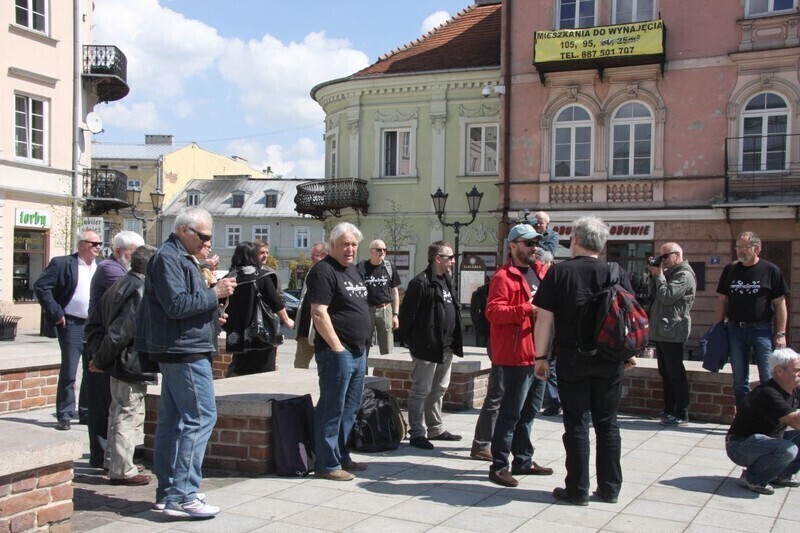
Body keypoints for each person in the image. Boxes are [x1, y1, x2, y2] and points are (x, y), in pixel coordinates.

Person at [134, 207, 237, 519]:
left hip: (182, 347)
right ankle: (183, 494)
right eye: (203, 236)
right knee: (201, 418)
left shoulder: (180, 258)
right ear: (183, 230)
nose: (207, 242)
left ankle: (169, 492)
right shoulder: (169, 258)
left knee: (173, 421)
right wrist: (214, 293)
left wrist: (211, 311)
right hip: (183, 352)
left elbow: (183, 304)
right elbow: (176, 305)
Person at [534, 216, 637, 506]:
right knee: (608, 423)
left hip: (572, 358)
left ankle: (577, 489)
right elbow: (627, 318)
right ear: (603, 244)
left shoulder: (560, 273)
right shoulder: (616, 271)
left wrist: (540, 357)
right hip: (609, 359)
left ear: (574, 239)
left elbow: (544, 319)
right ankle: (610, 488)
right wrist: (627, 353)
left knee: (576, 423)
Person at [487, 224, 554, 487]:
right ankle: (499, 465)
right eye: (528, 243)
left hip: (540, 354)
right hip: (516, 355)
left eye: (535, 243)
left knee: (530, 412)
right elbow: (493, 312)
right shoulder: (503, 277)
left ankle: (523, 460)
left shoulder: (539, 272)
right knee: (510, 413)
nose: (533, 248)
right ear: (513, 245)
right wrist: (526, 309)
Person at [305, 223, 370, 481]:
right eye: (345, 244)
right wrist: (336, 346)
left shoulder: (354, 270)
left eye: (354, 244)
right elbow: (319, 312)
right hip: (336, 352)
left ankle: (342, 456)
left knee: (350, 408)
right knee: (332, 407)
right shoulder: (323, 271)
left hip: (358, 351)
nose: (350, 249)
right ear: (332, 245)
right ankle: (327, 464)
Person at [89, 245, 157, 486]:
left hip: (120, 362)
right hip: (129, 361)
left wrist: (100, 358)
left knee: (117, 411)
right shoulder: (139, 288)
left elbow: (97, 321)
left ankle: (114, 460)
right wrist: (100, 359)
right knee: (127, 413)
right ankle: (121, 469)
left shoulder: (122, 283)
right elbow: (120, 332)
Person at [84, 230, 144, 467]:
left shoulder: (124, 273)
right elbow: (121, 329)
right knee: (109, 407)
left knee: (114, 406)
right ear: (120, 251)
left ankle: (110, 457)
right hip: (104, 347)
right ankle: (106, 458)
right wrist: (99, 359)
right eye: (134, 253)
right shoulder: (114, 271)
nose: (136, 258)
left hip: (106, 347)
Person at [398, 241, 464, 450]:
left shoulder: (447, 280)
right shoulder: (421, 282)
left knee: (439, 389)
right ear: (438, 259)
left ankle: (435, 428)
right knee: (421, 390)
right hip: (426, 346)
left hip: (446, 346)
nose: (453, 261)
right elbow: (408, 315)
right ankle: (417, 432)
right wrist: (413, 342)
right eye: (450, 257)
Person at [34, 228, 101, 431]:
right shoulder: (63, 263)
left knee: (92, 371)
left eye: (99, 244)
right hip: (71, 324)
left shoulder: (100, 267)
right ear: (81, 244)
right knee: (69, 371)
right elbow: (41, 286)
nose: (98, 247)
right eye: (94, 244)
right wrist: (56, 313)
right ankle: (64, 414)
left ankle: (86, 412)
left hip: (93, 325)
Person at [715, 231, 789, 408]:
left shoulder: (771, 270)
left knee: (767, 376)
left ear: (757, 248)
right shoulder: (730, 269)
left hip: (761, 330)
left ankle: (769, 417)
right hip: (735, 329)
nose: (740, 251)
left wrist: (780, 333)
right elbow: (722, 300)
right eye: (738, 247)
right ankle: (744, 417)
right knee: (740, 380)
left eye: (745, 247)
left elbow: (780, 303)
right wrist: (717, 328)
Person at [726, 348, 800, 495]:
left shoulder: (794, 389)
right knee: (788, 449)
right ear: (779, 371)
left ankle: (781, 474)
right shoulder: (769, 393)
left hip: (767, 441)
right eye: (797, 370)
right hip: (740, 445)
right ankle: (753, 478)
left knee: (788, 446)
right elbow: (797, 423)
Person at [223, 242, 294, 375]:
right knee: (264, 373)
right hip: (261, 333)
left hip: (237, 335)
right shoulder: (262, 276)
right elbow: (275, 302)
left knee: (240, 371)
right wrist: (287, 320)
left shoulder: (228, 278)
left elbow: (220, 305)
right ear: (252, 256)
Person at [648, 242, 696, 426]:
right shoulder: (671, 274)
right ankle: (669, 410)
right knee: (665, 372)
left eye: (665, 257)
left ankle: (681, 412)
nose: (664, 261)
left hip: (674, 329)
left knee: (675, 372)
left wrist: (659, 275)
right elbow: (655, 295)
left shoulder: (684, 275)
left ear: (677, 255)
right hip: (663, 329)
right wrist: (655, 275)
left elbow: (667, 296)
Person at [359, 239, 400, 357]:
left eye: (384, 249)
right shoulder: (361, 267)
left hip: (385, 309)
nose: (382, 252)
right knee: (363, 343)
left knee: (387, 347)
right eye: (378, 249)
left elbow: (395, 292)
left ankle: (387, 374)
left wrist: (396, 315)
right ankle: (361, 373)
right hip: (367, 310)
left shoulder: (389, 267)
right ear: (371, 251)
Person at [294, 242, 328, 369]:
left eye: (316, 255)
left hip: (322, 333)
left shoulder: (330, 275)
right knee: (299, 367)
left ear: (325, 255)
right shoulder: (311, 272)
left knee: (325, 369)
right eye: (312, 254)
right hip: (304, 331)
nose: (312, 257)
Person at [536, 249, 561, 417]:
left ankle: (555, 401)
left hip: (550, 330)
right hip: (546, 330)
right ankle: (554, 400)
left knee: (550, 366)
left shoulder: (552, 278)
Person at [470, 277, 490, 349]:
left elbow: (474, 311)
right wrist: (477, 325)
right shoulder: (481, 292)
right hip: (484, 325)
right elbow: (474, 311)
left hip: (483, 325)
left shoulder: (480, 291)